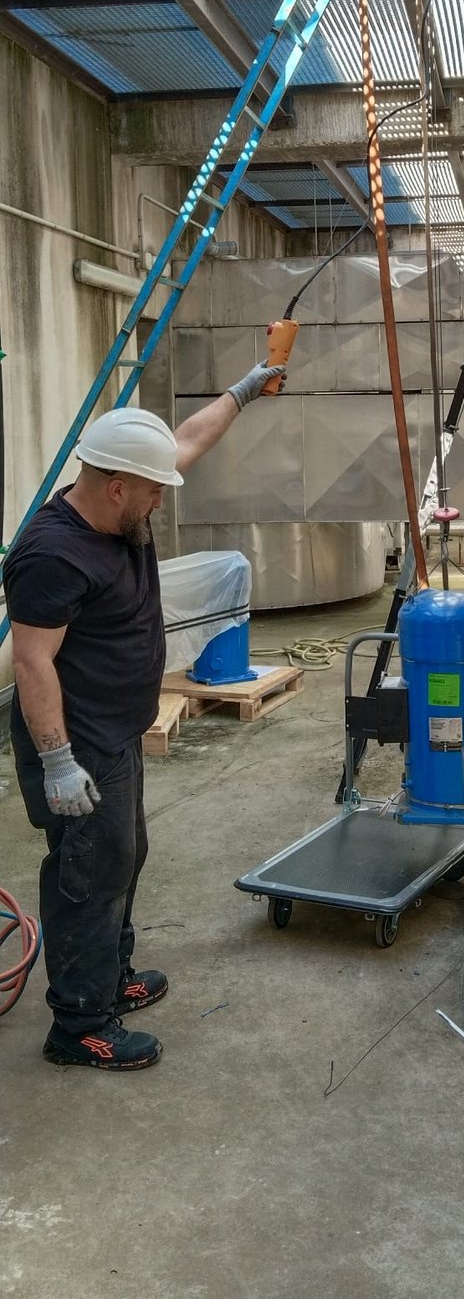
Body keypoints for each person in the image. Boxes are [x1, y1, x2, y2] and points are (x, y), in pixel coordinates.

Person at [4, 357, 285, 1072]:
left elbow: (187, 439)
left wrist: (245, 390)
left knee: (124, 859)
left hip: (115, 733)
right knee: (87, 874)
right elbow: (31, 663)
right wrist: (58, 761)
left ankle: (109, 975)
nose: (161, 500)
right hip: (76, 744)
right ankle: (79, 1024)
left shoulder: (121, 505)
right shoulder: (52, 556)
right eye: (153, 490)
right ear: (118, 484)